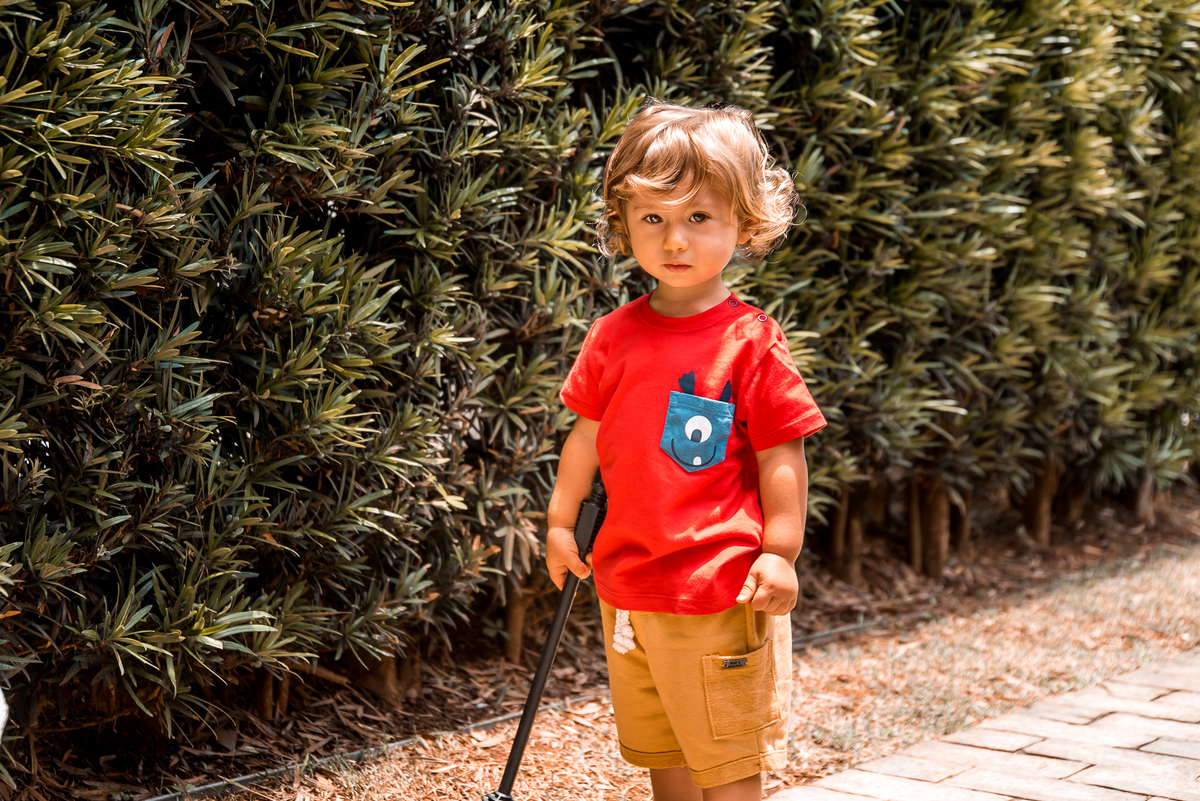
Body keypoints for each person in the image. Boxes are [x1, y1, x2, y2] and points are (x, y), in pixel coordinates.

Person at [546, 99, 827, 801]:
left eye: (698, 216)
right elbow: (586, 436)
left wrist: (780, 551)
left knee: (726, 761)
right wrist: (559, 523)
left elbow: (782, 453)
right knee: (662, 751)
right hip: (627, 591)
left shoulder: (749, 342)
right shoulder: (613, 335)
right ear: (625, 223)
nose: (674, 239)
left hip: (718, 588)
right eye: (653, 219)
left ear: (744, 222)